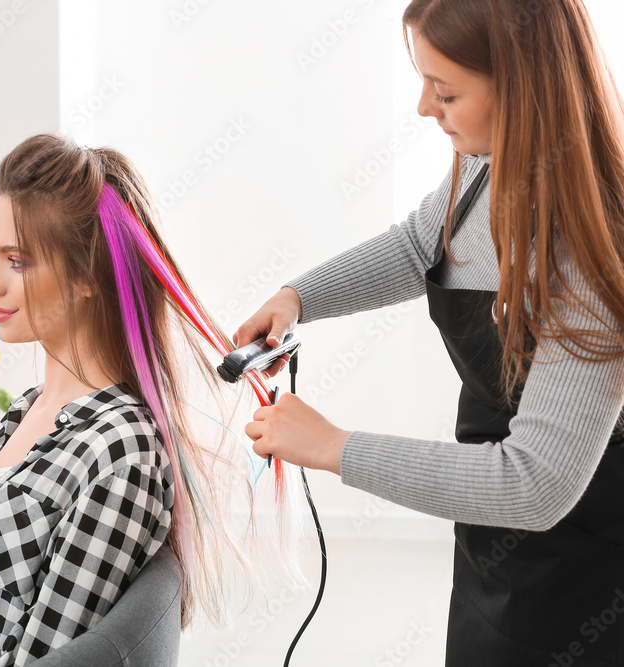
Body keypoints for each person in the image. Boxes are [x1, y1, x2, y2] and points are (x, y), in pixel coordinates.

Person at [239, 0, 624, 664]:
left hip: (583, 565)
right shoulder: (483, 164)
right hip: (491, 542)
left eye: (445, 91)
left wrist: (334, 446)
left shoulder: (594, 257)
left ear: (524, 89)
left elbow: (534, 484)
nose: (424, 107)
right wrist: (298, 295)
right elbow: (421, 246)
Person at [0, 134, 288, 666]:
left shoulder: (122, 455)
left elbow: (45, 655)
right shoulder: (26, 411)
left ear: (89, 275)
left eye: (17, 261)